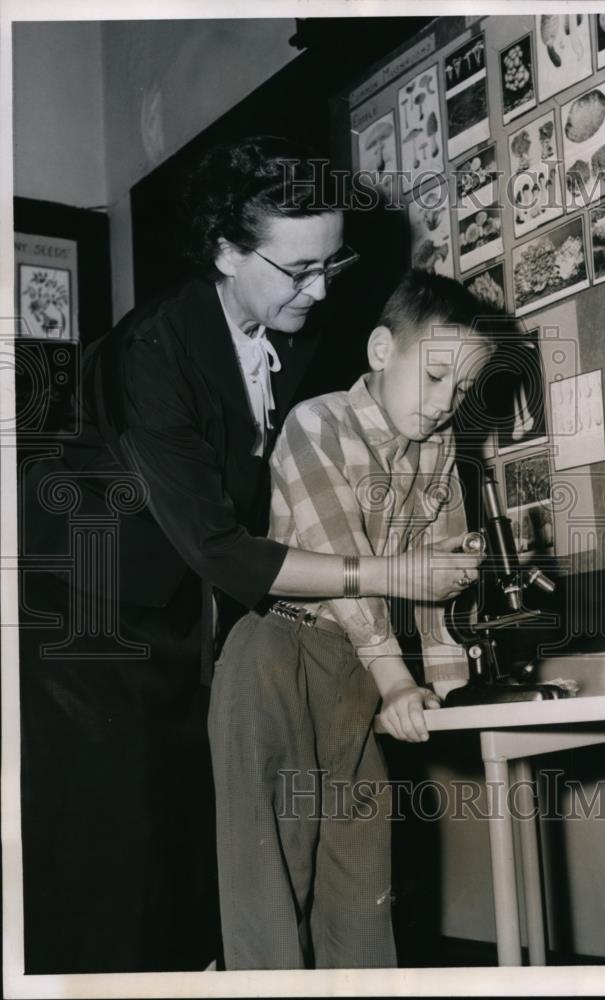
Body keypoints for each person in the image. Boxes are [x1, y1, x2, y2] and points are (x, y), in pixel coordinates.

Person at [17, 138, 481, 975]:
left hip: (180, 616)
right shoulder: (155, 350)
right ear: (227, 251)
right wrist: (384, 576)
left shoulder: (290, 327)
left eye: (330, 261)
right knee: (113, 870)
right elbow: (221, 547)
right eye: (296, 269)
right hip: (85, 624)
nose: (321, 286)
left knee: (196, 860)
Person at [208, 269, 497, 970]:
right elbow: (344, 568)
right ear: (379, 352)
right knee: (273, 884)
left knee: (361, 882)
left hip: (357, 679)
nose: (442, 404)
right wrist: (397, 682)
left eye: (461, 389)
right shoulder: (318, 423)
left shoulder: (438, 453)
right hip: (280, 656)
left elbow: (437, 586)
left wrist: (450, 683)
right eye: (432, 377)